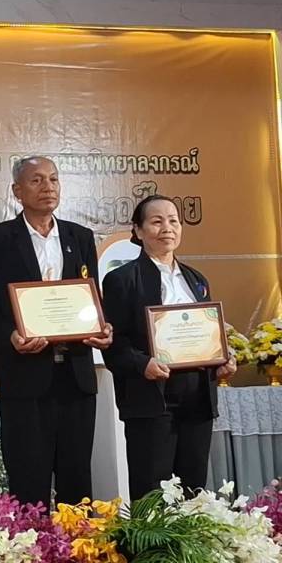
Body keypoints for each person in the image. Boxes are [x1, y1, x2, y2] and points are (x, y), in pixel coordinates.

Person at [0, 156, 113, 508]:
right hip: (24, 377)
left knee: (77, 480)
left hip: (76, 376)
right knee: (27, 478)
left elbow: (91, 298)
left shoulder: (80, 237)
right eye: (36, 180)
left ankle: (78, 540)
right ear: (17, 191)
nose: (48, 187)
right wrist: (10, 336)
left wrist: (102, 327)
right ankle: (29, 539)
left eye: (53, 179)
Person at [102, 195, 236, 500]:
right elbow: (114, 344)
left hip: (197, 397)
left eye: (174, 220)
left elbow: (206, 336)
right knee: (152, 491)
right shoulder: (122, 279)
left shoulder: (196, 279)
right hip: (151, 397)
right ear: (138, 231)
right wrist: (143, 364)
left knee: (193, 490)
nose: (168, 228)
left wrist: (221, 361)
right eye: (157, 221)